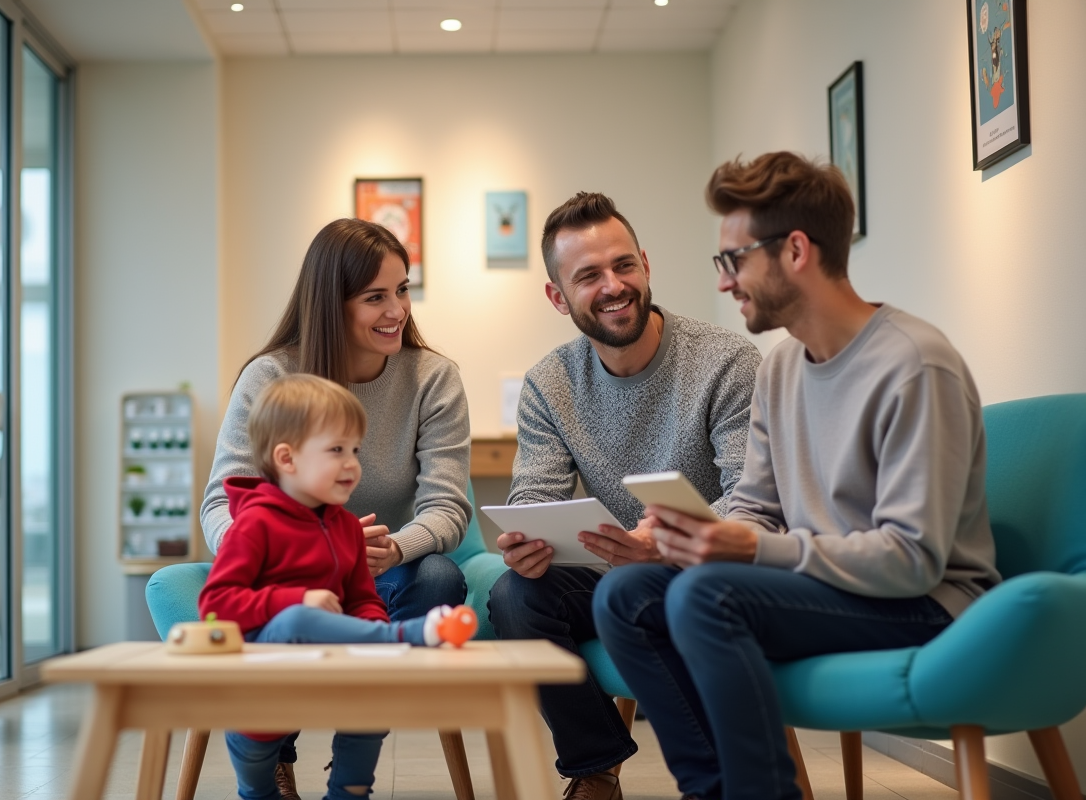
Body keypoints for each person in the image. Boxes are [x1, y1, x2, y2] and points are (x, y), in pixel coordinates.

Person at [593, 152, 1001, 800]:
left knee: (706, 597)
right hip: (824, 586)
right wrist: (702, 534)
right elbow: (755, 506)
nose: (725, 283)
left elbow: (912, 560)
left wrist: (749, 547)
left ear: (797, 251)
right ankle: (719, 792)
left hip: (928, 604)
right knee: (625, 596)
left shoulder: (915, 365)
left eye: (734, 260)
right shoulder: (782, 369)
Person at [487, 192, 762, 800]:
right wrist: (527, 541)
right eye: (588, 276)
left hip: (701, 569)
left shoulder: (726, 362)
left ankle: (721, 778)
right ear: (559, 297)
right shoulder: (550, 382)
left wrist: (660, 542)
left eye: (624, 266)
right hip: (612, 570)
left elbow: (751, 497)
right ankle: (595, 766)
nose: (614, 286)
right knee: (514, 594)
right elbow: (536, 495)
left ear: (645, 263)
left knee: (632, 588)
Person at [202, 218, 471, 796]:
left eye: (402, 290)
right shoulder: (271, 376)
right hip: (281, 575)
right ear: (331, 302)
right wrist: (280, 549)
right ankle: (276, 748)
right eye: (375, 297)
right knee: (296, 612)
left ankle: (353, 761)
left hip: (378, 574)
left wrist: (394, 547)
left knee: (439, 577)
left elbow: (448, 507)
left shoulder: (433, 379)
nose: (396, 309)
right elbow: (220, 502)